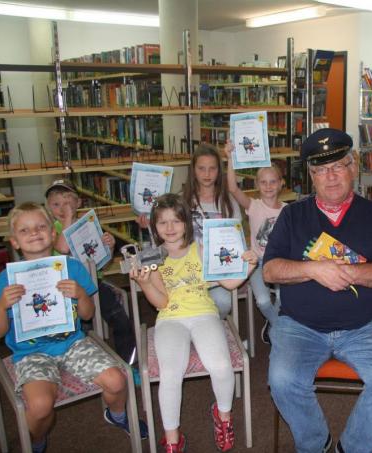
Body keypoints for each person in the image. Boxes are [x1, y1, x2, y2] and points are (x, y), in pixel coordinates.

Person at [263, 128, 372, 453]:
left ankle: (354, 447)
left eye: (337, 167)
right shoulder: (292, 215)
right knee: (284, 380)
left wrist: (349, 273)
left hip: (364, 326)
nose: (330, 177)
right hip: (300, 325)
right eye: (320, 170)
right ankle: (315, 442)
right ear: (311, 177)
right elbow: (270, 269)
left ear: (353, 167)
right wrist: (314, 269)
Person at [0, 202, 148, 453]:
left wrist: (81, 294)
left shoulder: (71, 267)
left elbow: (88, 314)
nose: (34, 233)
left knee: (117, 381)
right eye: (24, 230)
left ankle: (116, 415)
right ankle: (37, 440)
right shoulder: (6, 279)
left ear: (53, 233)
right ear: (14, 241)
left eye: (41, 227)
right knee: (39, 407)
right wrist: (1, 306)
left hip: (73, 343)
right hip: (30, 353)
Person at [130, 193, 257, 453]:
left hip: (204, 314)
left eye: (176, 221)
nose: (170, 228)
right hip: (170, 319)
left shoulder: (201, 250)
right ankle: (173, 438)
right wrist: (144, 283)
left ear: (187, 223)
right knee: (170, 374)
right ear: (154, 226)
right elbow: (162, 303)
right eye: (163, 222)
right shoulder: (151, 258)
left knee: (221, 366)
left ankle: (223, 417)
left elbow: (230, 283)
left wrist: (249, 266)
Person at [138, 145, 242, 319]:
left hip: (216, 275)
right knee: (178, 303)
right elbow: (165, 232)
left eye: (212, 169)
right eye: (201, 168)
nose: (207, 174)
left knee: (223, 302)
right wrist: (149, 224)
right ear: (193, 171)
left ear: (219, 171)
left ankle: (211, 327)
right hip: (185, 273)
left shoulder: (228, 202)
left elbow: (235, 238)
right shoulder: (181, 200)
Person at [45, 179, 137, 365]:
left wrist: (109, 247)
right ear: (48, 207)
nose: (63, 209)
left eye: (68, 203)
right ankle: (87, 362)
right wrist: (68, 220)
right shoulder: (51, 230)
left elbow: (103, 261)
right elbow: (63, 248)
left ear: (78, 203)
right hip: (65, 289)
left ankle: (130, 362)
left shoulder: (87, 226)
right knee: (81, 329)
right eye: (56, 204)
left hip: (94, 283)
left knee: (120, 319)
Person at [224, 141, 285, 344]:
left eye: (273, 181)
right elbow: (232, 188)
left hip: (279, 262)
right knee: (263, 301)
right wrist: (230, 157)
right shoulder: (253, 205)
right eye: (263, 182)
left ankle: (275, 325)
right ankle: (280, 328)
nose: (268, 186)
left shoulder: (287, 210)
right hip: (256, 262)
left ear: (281, 183)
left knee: (286, 299)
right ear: (257, 185)